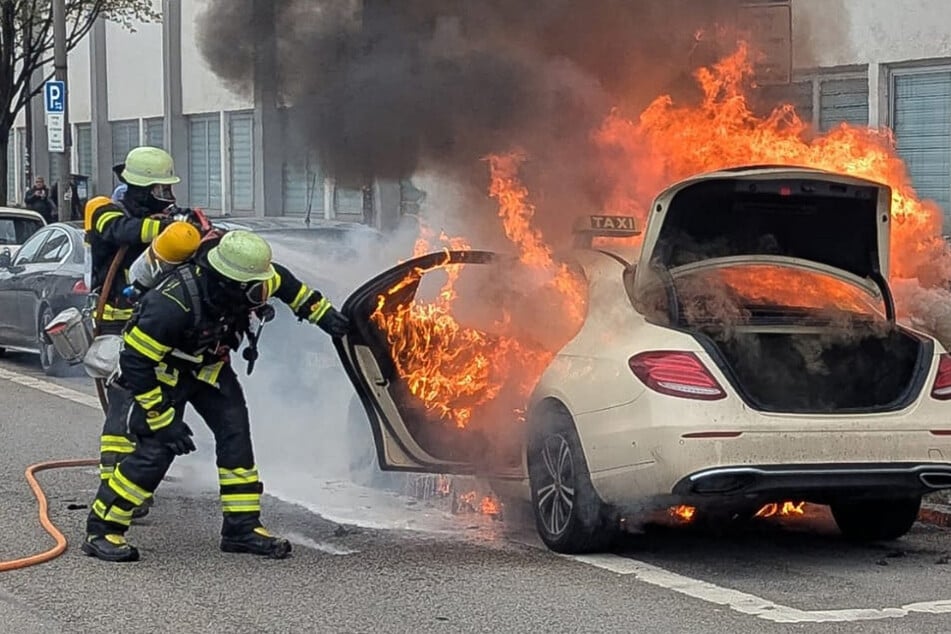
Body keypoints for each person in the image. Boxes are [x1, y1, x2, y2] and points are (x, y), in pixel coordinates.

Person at [81, 230, 352, 562]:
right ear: (228, 282)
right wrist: (163, 419)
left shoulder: (254, 276)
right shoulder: (170, 305)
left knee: (235, 436)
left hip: (209, 367)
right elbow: (135, 363)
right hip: (163, 373)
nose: (262, 294)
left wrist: (324, 315)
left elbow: (289, 285)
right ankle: (101, 529)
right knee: (156, 451)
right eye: (255, 290)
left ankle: (241, 528)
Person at [86, 146, 197, 519]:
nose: (167, 198)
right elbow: (121, 231)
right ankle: (111, 487)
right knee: (122, 404)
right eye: (161, 191)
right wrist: (167, 227)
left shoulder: (160, 219)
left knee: (151, 403)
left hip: (150, 325)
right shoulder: (103, 209)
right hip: (116, 322)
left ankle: (135, 481)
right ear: (140, 188)